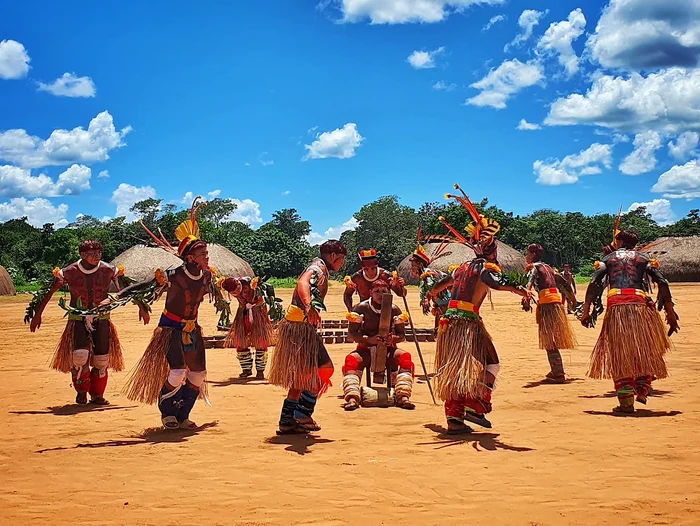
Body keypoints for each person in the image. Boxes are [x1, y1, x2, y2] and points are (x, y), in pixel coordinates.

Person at [121, 197, 236, 429]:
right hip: (170, 328)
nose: (207, 257)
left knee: (198, 374)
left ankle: (183, 414)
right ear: (190, 257)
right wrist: (117, 296)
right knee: (176, 372)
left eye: (206, 254)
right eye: (202, 254)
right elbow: (142, 286)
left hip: (192, 329)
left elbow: (224, 288)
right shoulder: (172, 276)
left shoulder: (207, 276)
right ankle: (167, 413)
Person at [427, 184, 530, 434]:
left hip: (449, 322)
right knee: (491, 363)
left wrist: (428, 297)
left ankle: (454, 419)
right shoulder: (486, 267)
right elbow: (493, 282)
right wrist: (519, 290)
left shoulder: (460, 268)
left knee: (454, 366)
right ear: (492, 251)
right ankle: (476, 404)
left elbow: (437, 287)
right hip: (468, 322)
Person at [28, 240, 147, 405]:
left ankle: (97, 395)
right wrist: (37, 314)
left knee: (102, 360)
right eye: (92, 254)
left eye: (99, 253)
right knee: (79, 357)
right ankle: (82, 392)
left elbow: (126, 288)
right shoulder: (69, 272)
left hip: (102, 318)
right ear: (82, 255)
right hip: (78, 319)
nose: (97, 256)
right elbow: (50, 291)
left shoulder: (108, 270)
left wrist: (141, 307)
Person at [580, 229, 679, 414]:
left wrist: (586, 311)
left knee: (619, 352)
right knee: (643, 349)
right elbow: (662, 282)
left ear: (618, 241)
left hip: (616, 306)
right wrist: (670, 312)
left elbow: (594, 283)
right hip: (639, 305)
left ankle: (626, 404)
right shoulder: (643, 259)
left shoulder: (608, 259)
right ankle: (642, 389)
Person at [268, 240, 347, 435]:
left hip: (300, 326)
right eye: (342, 259)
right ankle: (301, 413)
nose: (342, 263)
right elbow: (302, 282)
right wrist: (309, 306)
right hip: (299, 328)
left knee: (303, 375)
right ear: (333, 255)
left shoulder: (319, 268)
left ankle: (288, 419)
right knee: (323, 369)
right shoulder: (317, 268)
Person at [342, 279, 415, 411]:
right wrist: (369, 340)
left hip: (389, 350)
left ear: (388, 292)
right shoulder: (361, 308)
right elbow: (352, 333)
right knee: (351, 360)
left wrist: (392, 339)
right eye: (376, 291)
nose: (380, 294)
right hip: (365, 350)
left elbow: (402, 335)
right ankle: (352, 397)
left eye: (384, 291)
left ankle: (402, 396)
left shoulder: (394, 309)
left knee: (405, 357)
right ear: (370, 292)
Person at [523, 244, 578, 384]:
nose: (526, 256)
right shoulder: (548, 267)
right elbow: (564, 283)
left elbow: (530, 280)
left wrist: (526, 295)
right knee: (552, 338)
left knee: (549, 339)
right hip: (557, 303)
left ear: (533, 254)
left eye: (527, 253)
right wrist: (574, 301)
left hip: (547, 304)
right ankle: (557, 370)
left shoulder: (534, 267)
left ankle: (558, 372)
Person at [224, 276, 273, 380]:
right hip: (243, 312)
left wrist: (254, 305)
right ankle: (246, 370)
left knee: (260, 341)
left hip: (258, 312)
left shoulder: (250, 283)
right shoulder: (230, 286)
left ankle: (260, 371)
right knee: (241, 341)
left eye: (236, 290)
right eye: (232, 293)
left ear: (239, 284)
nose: (235, 294)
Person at [409, 240, 451, 336]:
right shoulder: (425, 275)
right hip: (441, 304)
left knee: (443, 331)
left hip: (445, 304)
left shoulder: (428, 274)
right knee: (439, 331)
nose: (412, 269)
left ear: (420, 264)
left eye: (413, 266)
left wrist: (426, 298)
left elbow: (433, 288)